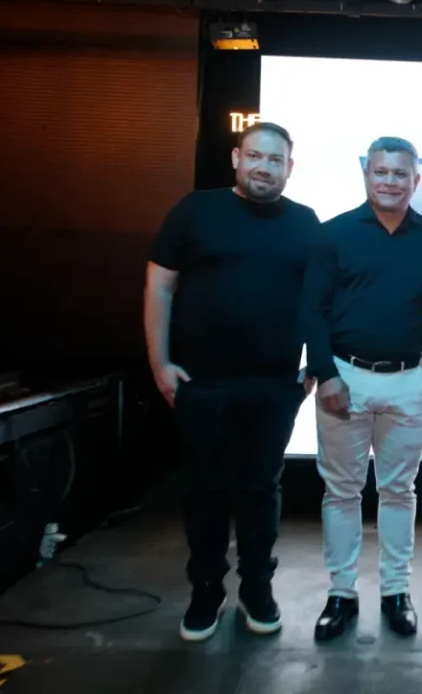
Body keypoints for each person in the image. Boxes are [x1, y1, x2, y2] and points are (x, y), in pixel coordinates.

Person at [144, 122, 320, 642]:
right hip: (202, 383)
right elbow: (159, 288)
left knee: (262, 491)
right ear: (237, 159)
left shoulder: (305, 223)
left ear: (289, 168)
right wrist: (159, 363)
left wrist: (316, 364)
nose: (265, 167)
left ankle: (256, 590)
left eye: (275, 160)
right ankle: (205, 592)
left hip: (275, 385)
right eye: (256, 156)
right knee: (206, 492)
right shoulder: (195, 211)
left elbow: (320, 299)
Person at [299, 136, 422, 641]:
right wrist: (324, 372)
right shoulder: (333, 235)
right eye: (381, 172)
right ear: (366, 174)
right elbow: (312, 310)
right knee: (341, 492)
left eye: (400, 173)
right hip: (344, 378)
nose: (390, 181)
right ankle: (341, 593)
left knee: (399, 492)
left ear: (416, 180)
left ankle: (396, 592)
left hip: (409, 380)